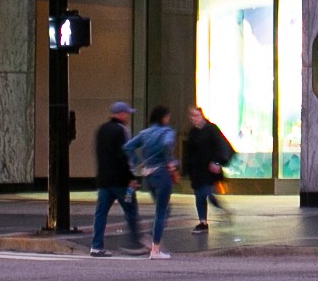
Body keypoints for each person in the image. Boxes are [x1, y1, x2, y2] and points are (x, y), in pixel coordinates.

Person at [90, 102, 142, 256]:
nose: (127, 116)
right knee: (130, 208)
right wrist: (131, 178)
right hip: (122, 183)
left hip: (104, 181)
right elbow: (124, 156)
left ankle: (96, 246)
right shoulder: (121, 130)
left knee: (101, 213)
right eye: (126, 113)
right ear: (120, 114)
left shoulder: (101, 129)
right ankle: (133, 243)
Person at [128, 106, 180, 257]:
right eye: (167, 117)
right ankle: (155, 248)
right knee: (161, 211)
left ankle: (153, 241)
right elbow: (166, 144)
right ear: (164, 118)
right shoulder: (167, 132)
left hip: (148, 174)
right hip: (161, 172)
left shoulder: (144, 133)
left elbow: (128, 146)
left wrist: (137, 162)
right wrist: (169, 161)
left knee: (162, 208)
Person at [182, 106, 236, 230]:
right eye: (192, 116)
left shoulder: (211, 129)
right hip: (197, 170)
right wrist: (188, 169)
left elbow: (222, 145)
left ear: (202, 115)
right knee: (199, 195)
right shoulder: (192, 132)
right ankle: (203, 221)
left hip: (209, 169)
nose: (194, 119)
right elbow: (189, 152)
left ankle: (221, 209)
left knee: (207, 192)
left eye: (196, 116)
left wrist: (218, 162)